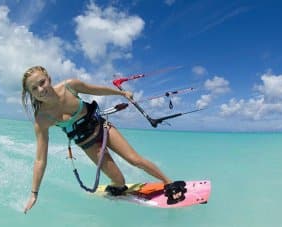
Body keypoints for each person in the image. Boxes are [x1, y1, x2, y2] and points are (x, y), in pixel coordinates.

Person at [22, 66, 186, 214]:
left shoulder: (70, 86)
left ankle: (169, 183)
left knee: (135, 160)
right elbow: (40, 159)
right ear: (31, 93)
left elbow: (97, 90)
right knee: (120, 182)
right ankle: (114, 188)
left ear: (48, 78)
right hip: (88, 144)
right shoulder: (42, 118)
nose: (40, 89)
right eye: (34, 88)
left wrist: (122, 93)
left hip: (103, 128)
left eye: (42, 82)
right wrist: (34, 193)